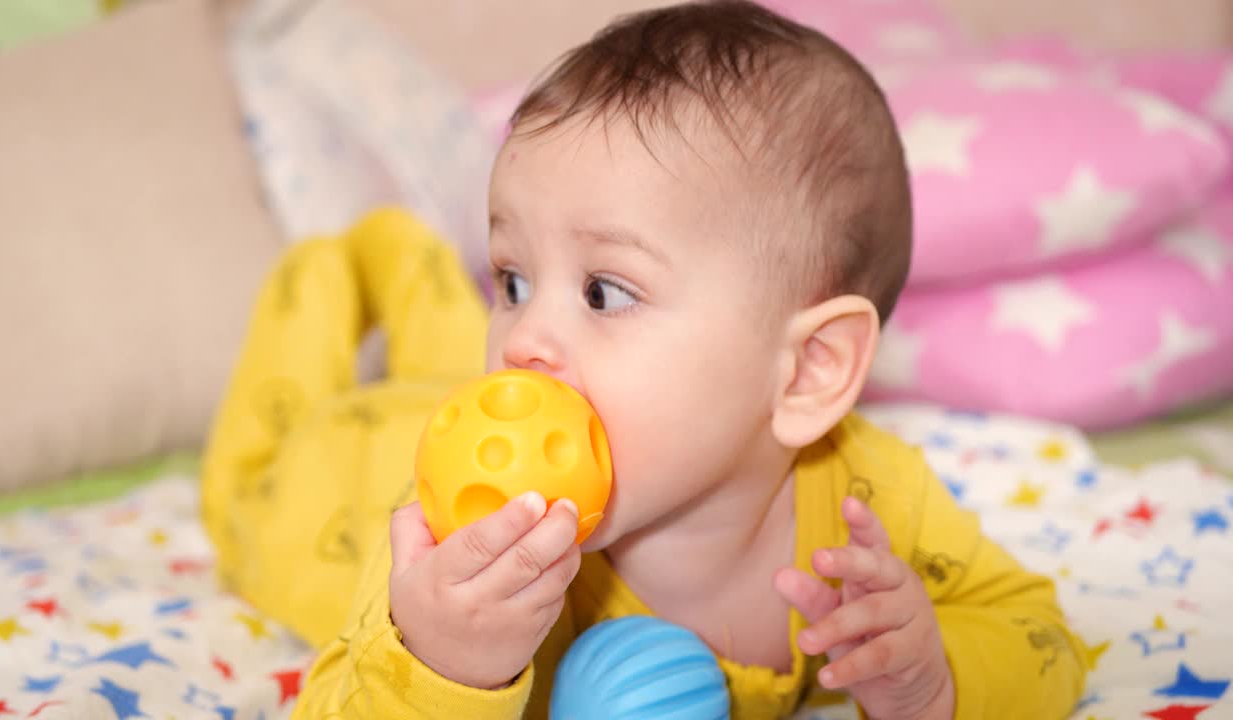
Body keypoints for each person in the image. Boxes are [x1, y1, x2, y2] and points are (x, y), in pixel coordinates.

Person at [201, 2, 1088, 717]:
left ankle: (410, 279)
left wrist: (937, 680)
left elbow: (1035, 631)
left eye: (605, 292)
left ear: (809, 370)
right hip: (332, 487)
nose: (522, 340)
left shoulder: (867, 508)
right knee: (257, 481)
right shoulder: (447, 539)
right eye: (510, 279)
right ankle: (342, 270)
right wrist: (442, 661)